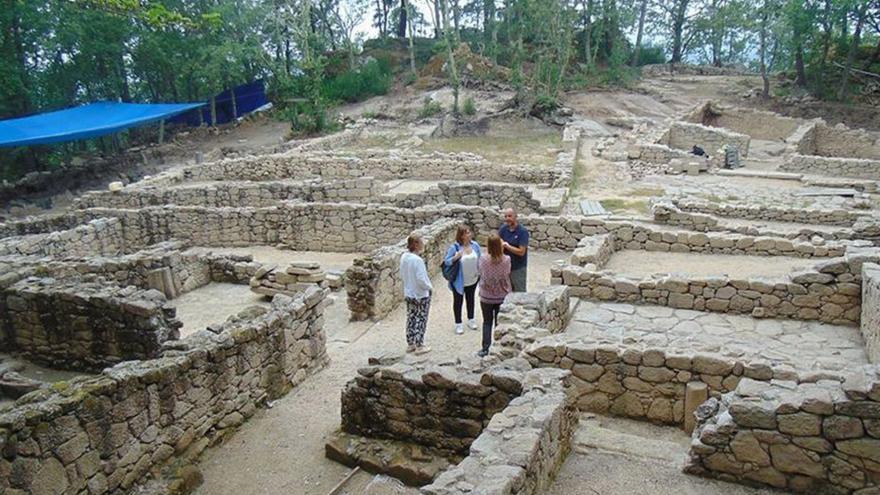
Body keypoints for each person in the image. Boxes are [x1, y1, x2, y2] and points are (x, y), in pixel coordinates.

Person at [477, 233, 511, 357]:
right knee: (499, 323)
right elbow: (507, 274)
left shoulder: (483, 259)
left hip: (486, 296)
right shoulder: (507, 260)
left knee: (487, 322)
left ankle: (485, 348)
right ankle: (499, 347)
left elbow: (480, 272)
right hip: (502, 295)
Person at [444, 225, 481, 334]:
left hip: (473, 279)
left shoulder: (475, 246)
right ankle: (458, 323)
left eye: (469, 232)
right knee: (458, 301)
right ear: (462, 235)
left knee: (470, 299)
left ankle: (471, 319)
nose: (470, 234)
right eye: (467, 232)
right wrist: (455, 257)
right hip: (459, 280)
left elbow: (480, 259)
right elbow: (446, 262)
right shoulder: (454, 248)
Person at [400, 233, 433, 354]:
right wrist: (429, 287)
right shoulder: (417, 260)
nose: (423, 244)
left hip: (409, 292)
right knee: (421, 317)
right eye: (421, 242)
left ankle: (410, 343)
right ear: (416, 244)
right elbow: (421, 279)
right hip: (420, 293)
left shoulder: (404, 257)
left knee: (411, 316)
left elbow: (402, 274)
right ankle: (419, 344)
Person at [498, 208, 529, 292]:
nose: (507, 218)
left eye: (510, 216)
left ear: (516, 217)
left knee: (519, 292)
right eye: (505, 216)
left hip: (518, 268)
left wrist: (507, 246)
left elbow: (522, 252)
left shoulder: (522, 232)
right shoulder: (503, 229)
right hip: (505, 267)